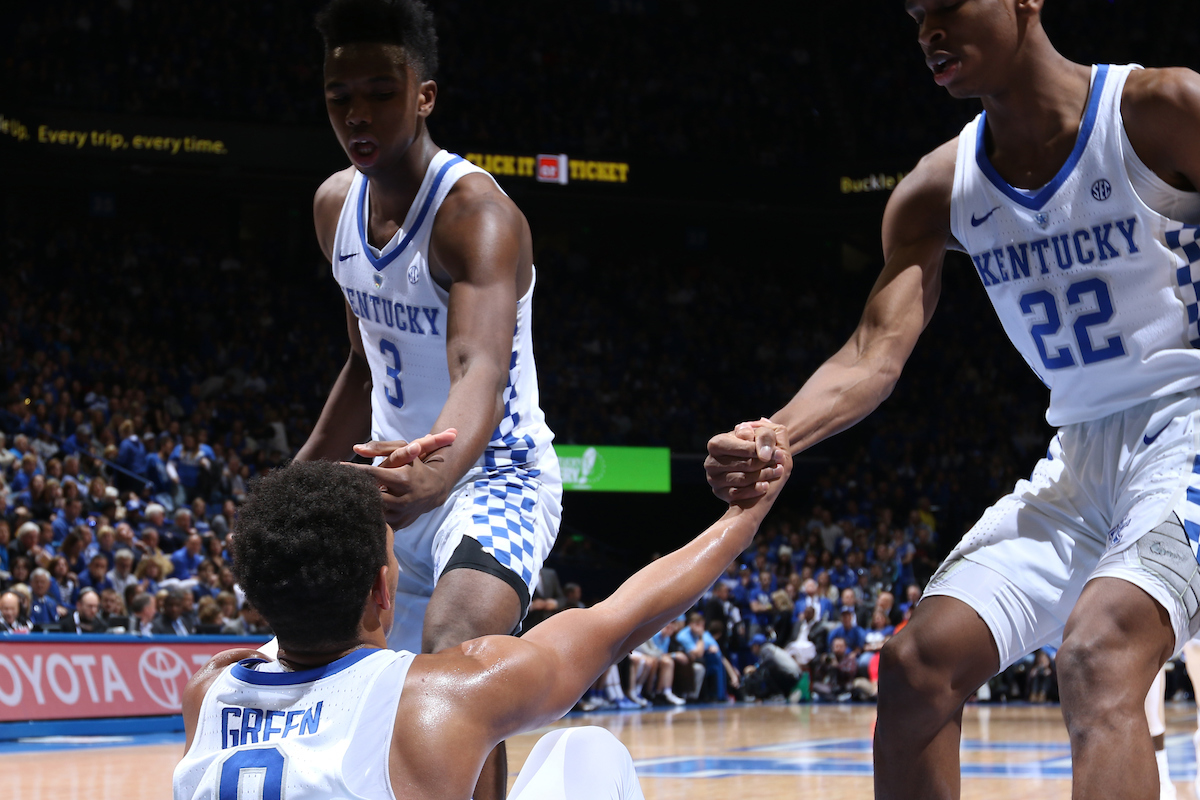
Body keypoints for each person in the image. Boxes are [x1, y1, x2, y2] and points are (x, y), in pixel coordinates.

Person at [704, 2, 1200, 797]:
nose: (929, 31)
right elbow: (873, 353)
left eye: (949, 7)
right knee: (915, 667)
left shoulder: (1160, 110)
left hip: (1191, 426)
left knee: (1100, 652)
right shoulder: (937, 187)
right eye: (913, 15)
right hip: (1078, 455)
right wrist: (777, 433)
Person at [174, 441, 789, 799]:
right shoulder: (441, 694)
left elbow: (290, 573)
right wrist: (749, 512)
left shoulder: (207, 690)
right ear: (382, 592)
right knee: (586, 750)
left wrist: (345, 499)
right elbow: (624, 616)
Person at [296, 3, 562, 795]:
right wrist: (297, 479)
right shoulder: (331, 207)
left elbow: (479, 369)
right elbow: (361, 361)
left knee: (451, 658)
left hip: (492, 475)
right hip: (391, 484)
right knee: (360, 689)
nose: (358, 115)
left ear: (425, 96)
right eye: (340, 96)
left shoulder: (474, 215)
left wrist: (435, 478)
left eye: (381, 92)